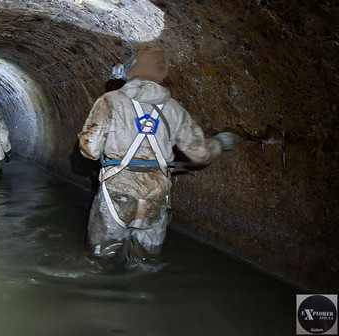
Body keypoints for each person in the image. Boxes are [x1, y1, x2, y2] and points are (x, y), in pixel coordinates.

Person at [78, 44, 241, 267]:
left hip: (116, 192)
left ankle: (102, 296)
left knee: (100, 261)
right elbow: (201, 153)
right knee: (146, 262)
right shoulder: (175, 109)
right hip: (156, 195)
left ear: (130, 70)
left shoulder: (109, 102)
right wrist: (220, 142)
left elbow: (89, 150)